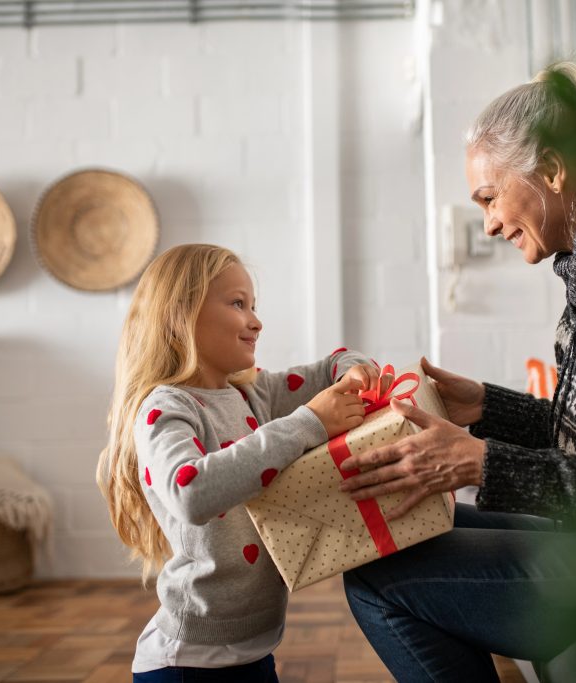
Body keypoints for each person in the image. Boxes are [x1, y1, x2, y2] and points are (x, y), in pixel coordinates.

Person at [339, 62, 576, 681]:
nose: (488, 223)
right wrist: (483, 406)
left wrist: (480, 462)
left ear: (551, 170)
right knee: (393, 538)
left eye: (490, 197)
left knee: (379, 581)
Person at [97, 244, 382, 682]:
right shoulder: (165, 408)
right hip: (187, 662)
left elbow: (333, 366)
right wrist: (308, 424)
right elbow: (190, 491)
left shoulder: (253, 392)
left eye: (253, 305)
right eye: (237, 304)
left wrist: (355, 373)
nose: (256, 320)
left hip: (255, 650)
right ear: (182, 316)